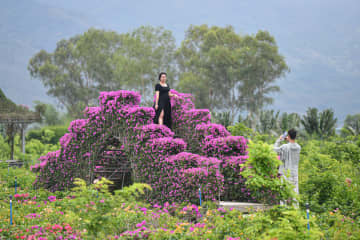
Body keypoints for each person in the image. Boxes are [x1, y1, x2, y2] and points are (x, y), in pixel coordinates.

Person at [273, 128, 301, 206]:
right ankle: (296, 213)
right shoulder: (298, 147)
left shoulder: (285, 146)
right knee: (295, 195)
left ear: (288, 136)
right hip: (295, 174)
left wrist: (279, 140)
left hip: (286, 173)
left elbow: (274, 150)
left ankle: (283, 212)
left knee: (284, 195)